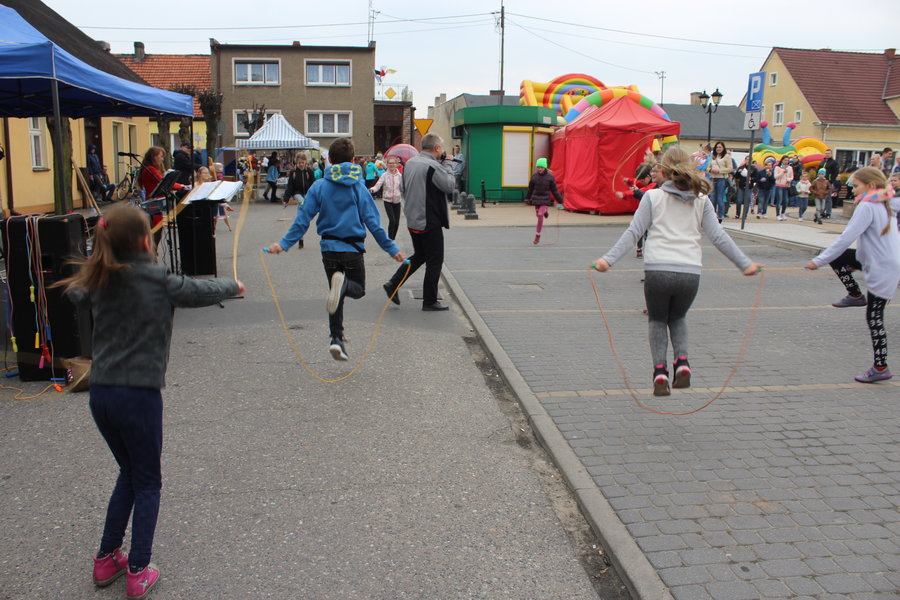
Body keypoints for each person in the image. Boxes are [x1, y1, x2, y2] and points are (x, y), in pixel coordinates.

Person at [58, 203, 242, 600]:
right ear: (146, 241)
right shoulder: (157, 278)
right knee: (148, 481)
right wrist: (234, 286)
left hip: (102, 395)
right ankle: (139, 569)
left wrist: (98, 261)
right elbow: (198, 291)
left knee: (129, 470)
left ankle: (107, 557)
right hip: (137, 396)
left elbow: (75, 294)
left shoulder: (99, 277)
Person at [591, 146, 764, 396]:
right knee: (678, 317)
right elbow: (718, 236)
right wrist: (744, 264)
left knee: (658, 319)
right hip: (690, 272)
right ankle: (682, 362)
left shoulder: (653, 197)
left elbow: (634, 233)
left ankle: (660, 371)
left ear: (665, 170)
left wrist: (608, 260)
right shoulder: (701, 200)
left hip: (658, 270)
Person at [266, 138, 404, 360]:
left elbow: (303, 219)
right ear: (352, 160)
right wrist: (391, 248)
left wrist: (283, 244)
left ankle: (336, 339)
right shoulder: (360, 188)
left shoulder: (319, 186)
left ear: (329, 160)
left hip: (329, 249)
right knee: (357, 289)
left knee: (335, 293)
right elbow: (374, 224)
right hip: (352, 248)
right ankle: (343, 292)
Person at [806, 167, 900, 383]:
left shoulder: (869, 205)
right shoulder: (882, 203)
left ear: (870, 185)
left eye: (856, 186)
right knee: (839, 258)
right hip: (877, 261)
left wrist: (818, 261)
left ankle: (880, 367)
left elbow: (846, 238)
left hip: (882, 267)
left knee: (874, 318)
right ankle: (855, 295)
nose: (853, 190)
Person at [382, 133, 456, 311]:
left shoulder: (410, 164)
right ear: (437, 148)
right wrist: (448, 164)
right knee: (435, 261)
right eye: (442, 147)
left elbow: (403, 188)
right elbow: (449, 185)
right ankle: (429, 301)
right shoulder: (432, 165)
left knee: (420, 255)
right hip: (429, 220)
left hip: (413, 219)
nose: (443, 151)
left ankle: (393, 283)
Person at [525, 157, 563, 245]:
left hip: (545, 199)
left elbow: (554, 190)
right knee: (539, 215)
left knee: (540, 214)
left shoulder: (550, 177)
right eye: (538, 167)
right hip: (536, 198)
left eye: (541, 167)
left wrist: (560, 200)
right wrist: (527, 198)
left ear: (545, 167)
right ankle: (545, 211)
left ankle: (537, 235)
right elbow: (530, 189)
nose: (540, 169)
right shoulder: (534, 176)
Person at [369, 156, 404, 240]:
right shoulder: (384, 175)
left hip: (397, 200)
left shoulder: (400, 176)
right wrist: (372, 189)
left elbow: (403, 188)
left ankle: (393, 238)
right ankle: (390, 239)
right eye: (390, 163)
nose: (392, 165)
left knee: (397, 223)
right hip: (387, 200)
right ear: (387, 165)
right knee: (392, 221)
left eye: (393, 163)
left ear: (396, 164)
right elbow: (378, 185)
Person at [706, 142, 733, 222]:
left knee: (719, 198)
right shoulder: (713, 156)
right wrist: (710, 170)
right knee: (712, 198)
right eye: (717, 147)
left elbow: (730, 168)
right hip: (713, 178)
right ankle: (712, 215)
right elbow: (708, 167)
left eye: (720, 147)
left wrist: (719, 171)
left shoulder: (727, 157)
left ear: (723, 148)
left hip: (721, 178)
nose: (718, 148)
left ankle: (720, 216)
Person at [732, 155, 758, 221]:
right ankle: (737, 214)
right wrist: (738, 172)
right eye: (746, 159)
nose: (748, 161)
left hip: (749, 187)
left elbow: (756, 178)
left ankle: (744, 215)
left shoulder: (754, 169)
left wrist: (751, 179)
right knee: (739, 201)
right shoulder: (741, 167)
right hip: (741, 186)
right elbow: (736, 176)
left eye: (749, 160)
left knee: (746, 201)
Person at [820, 149, 839, 218]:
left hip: (828, 182)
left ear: (831, 154)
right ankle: (822, 211)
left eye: (828, 153)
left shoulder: (834, 163)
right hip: (821, 182)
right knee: (822, 197)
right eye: (826, 153)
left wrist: (831, 181)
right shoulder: (823, 162)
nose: (827, 154)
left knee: (828, 198)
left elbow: (835, 172)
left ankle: (828, 213)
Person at [773, 156, 793, 220]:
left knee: (786, 201)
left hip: (786, 186)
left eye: (787, 160)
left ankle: (783, 213)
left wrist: (789, 179)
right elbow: (775, 176)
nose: (786, 161)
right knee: (779, 200)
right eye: (785, 160)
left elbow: (791, 176)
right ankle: (778, 215)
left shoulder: (790, 168)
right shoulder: (777, 167)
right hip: (779, 185)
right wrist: (782, 172)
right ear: (782, 160)